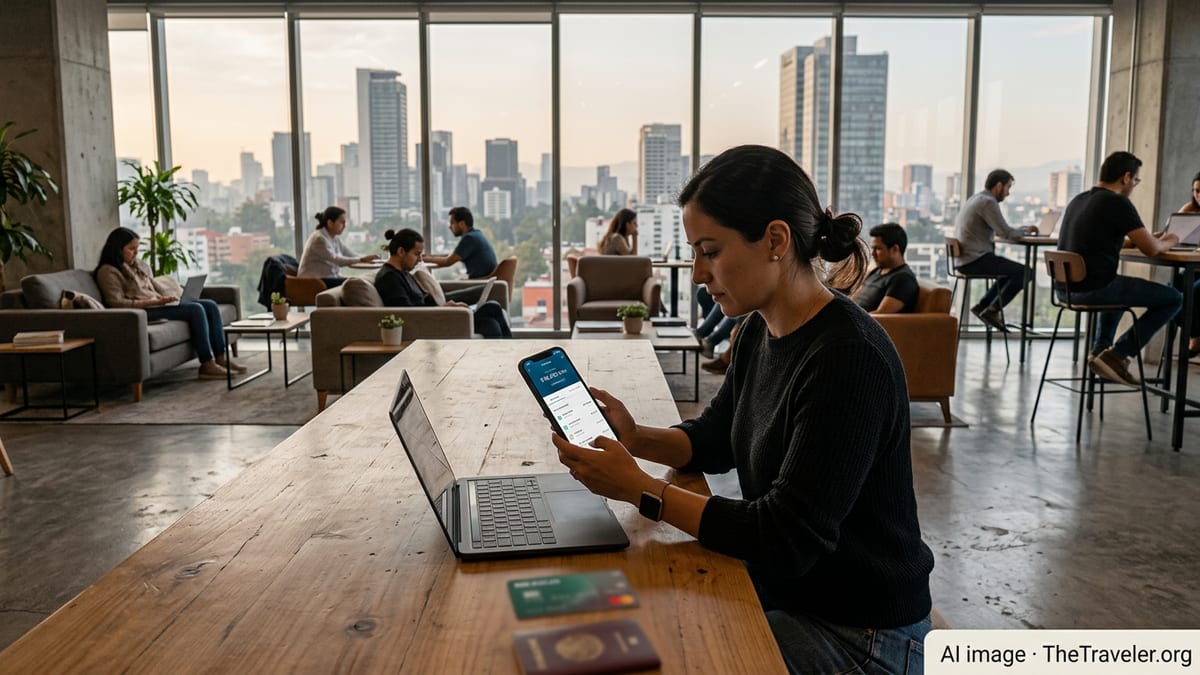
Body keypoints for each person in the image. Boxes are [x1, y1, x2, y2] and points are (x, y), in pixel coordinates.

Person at [550, 145, 933, 673]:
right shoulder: (759, 328)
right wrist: (635, 437)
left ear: (775, 240)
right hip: (795, 593)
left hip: (861, 632)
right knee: (627, 615)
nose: (698, 271)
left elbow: (785, 537)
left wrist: (639, 488)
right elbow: (715, 437)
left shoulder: (848, 357)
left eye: (710, 249)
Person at [1057, 151, 1183, 386]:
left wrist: (1141, 238)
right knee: (1174, 298)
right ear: (1126, 177)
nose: (1135, 185)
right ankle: (1118, 355)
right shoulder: (1117, 202)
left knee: (1118, 286)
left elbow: (1099, 240)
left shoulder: (1080, 199)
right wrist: (1172, 239)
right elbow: (1152, 250)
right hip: (1093, 288)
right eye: (1136, 180)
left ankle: (1100, 352)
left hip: (1066, 290)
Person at [94, 227, 245, 380]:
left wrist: (166, 298)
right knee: (195, 309)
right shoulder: (108, 272)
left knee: (210, 305)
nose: (135, 253)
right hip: (143, 312)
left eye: (137, 249)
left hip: (157, 304)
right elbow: (116, 303)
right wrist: (153, 302)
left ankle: (220, 359)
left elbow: (151, 287)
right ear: (117, 249)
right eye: (131, 249)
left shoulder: (136, 266)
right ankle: (207, 364)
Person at [376, 228, 511, 339]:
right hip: (432, 323)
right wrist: (443, 309)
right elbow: (407, 314)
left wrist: (448, 305)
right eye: (417, 254)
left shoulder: (404, 273)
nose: (420, 259)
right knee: (491, 313)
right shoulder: (389, 278)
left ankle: (506, 361)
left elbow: (423, 302)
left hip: (437, 317)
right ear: (401, 251)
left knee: (491, 314)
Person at [952, 169, 1039, 332]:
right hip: (975, 260)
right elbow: (1006, 233)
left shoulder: (976, 198)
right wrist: (1026, 231)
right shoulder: (988, 202)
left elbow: (1003, 230)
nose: (1008, 193)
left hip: (964, 259)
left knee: (1010, 272)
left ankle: (983, 307)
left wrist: (1022, 230)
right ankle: (992, 310)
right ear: (998, 186)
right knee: (1026, 272)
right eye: (1008, 187)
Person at [298, 206, 378, 287]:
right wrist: (361, 260)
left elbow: (350, 254)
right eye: (342, 222)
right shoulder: (319, 239)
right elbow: (336, 260)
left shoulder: (334, 238)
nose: (344, 226)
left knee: (358, 282)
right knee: (356, 284)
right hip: (312, 282)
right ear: (330, 223)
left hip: (326, 279)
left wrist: (368, 258)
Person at [854, 222, 920, 314]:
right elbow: (853, 300)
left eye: (878, 249)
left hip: (863, 325)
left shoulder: (903, 279)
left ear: (895, 249)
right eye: (872, 248)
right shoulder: (877, 271)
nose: (873, 254)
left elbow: (881, 315)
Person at [422, 206, 498, 279]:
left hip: (482, 282)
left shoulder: (469, 239)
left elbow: (447, 262)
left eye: (452, 223)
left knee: (438, 287)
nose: (450, 226)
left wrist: (422, 259)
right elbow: (451, 256)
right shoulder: (476, 234)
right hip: (486, 280)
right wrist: (427, 257)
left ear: (461, 224)